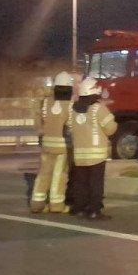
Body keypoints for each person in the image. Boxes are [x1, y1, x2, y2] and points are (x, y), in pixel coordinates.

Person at [68, 77, 117, 219]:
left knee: (80, 182)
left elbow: (70, 128)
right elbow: (111, 128)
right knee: (96, 183)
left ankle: (78, 208)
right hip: (96, 155)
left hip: (79, 154)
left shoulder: (73, 109)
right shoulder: (99, 109)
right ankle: (95, 210)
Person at [30, 71, 74, 213]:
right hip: (63, 147)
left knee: (43, 173)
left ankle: (37, 203)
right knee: (59, 175)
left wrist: (41, 134)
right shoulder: (70, 105)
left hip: (47, 145)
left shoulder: (46, 102)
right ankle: (56, 204)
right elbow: (71, 127)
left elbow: (38, 121)